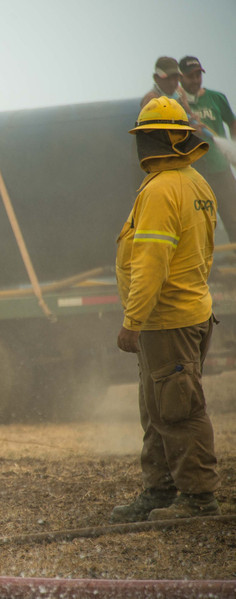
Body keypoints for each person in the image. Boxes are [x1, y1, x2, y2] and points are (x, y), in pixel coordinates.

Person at [111, 96, 221, 523]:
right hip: (185, 315)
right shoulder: (195, 183)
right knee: (158, 408)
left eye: (147, 136)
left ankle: (197, 500)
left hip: (167, 320)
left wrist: (132, 322)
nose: (142, 145)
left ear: (165, 139)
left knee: (180, 411)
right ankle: (158, 492)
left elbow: (151, 263)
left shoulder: (162, 189)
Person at [178, 55, 236, 242]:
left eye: (198, 75)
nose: (195, 80)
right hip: (196, 173)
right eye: (190, 76)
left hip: (221, 168)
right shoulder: (177, 102)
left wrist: (232, 149)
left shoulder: (216, 98)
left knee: (233, 217)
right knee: (200, 223)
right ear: (181, 78)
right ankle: (210, 269)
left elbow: (232, 122)